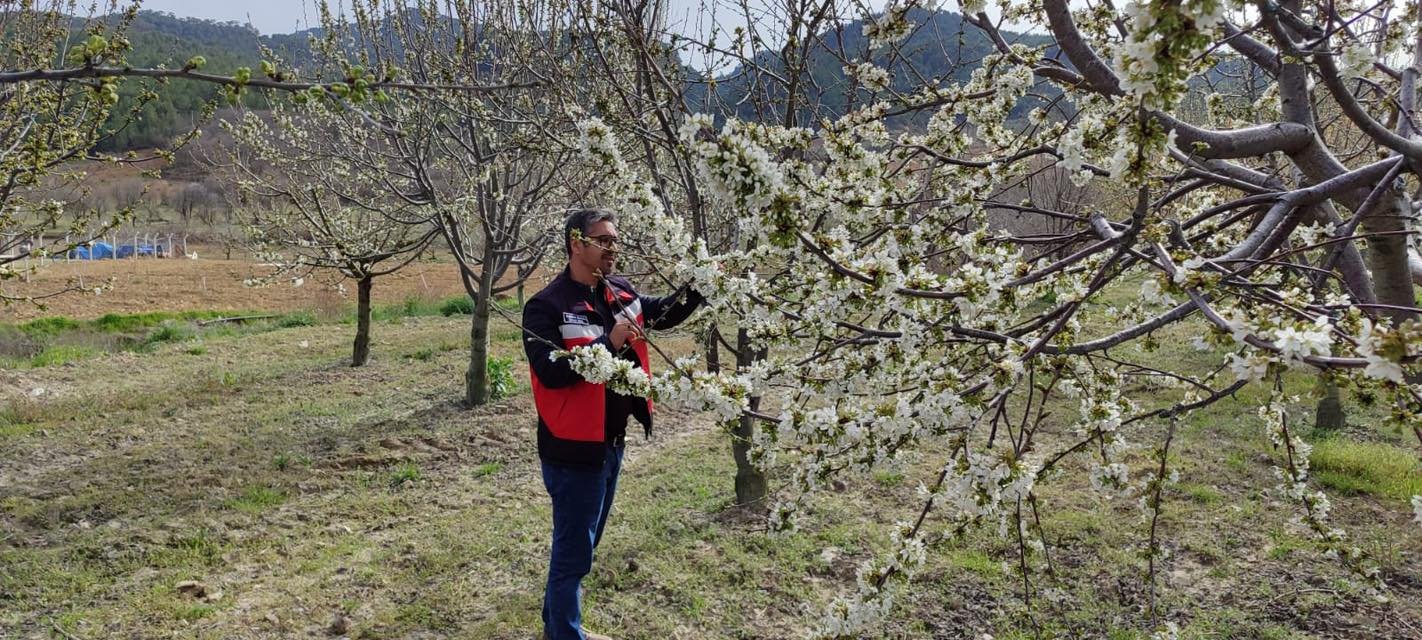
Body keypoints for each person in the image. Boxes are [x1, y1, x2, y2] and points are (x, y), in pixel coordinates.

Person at [522, 208, 703, 640]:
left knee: (582, 547)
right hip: (572, 451)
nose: (612, 248)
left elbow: (659, 312)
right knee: (573, 555)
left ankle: (556, 627)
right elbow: (551, 372)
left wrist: (701, 288)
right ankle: (566, 634)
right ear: (575, 244)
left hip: (611, 444)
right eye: (602, 240)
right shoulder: (546, 306)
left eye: (614, 240)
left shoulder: (619, 291)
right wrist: (609, 341)